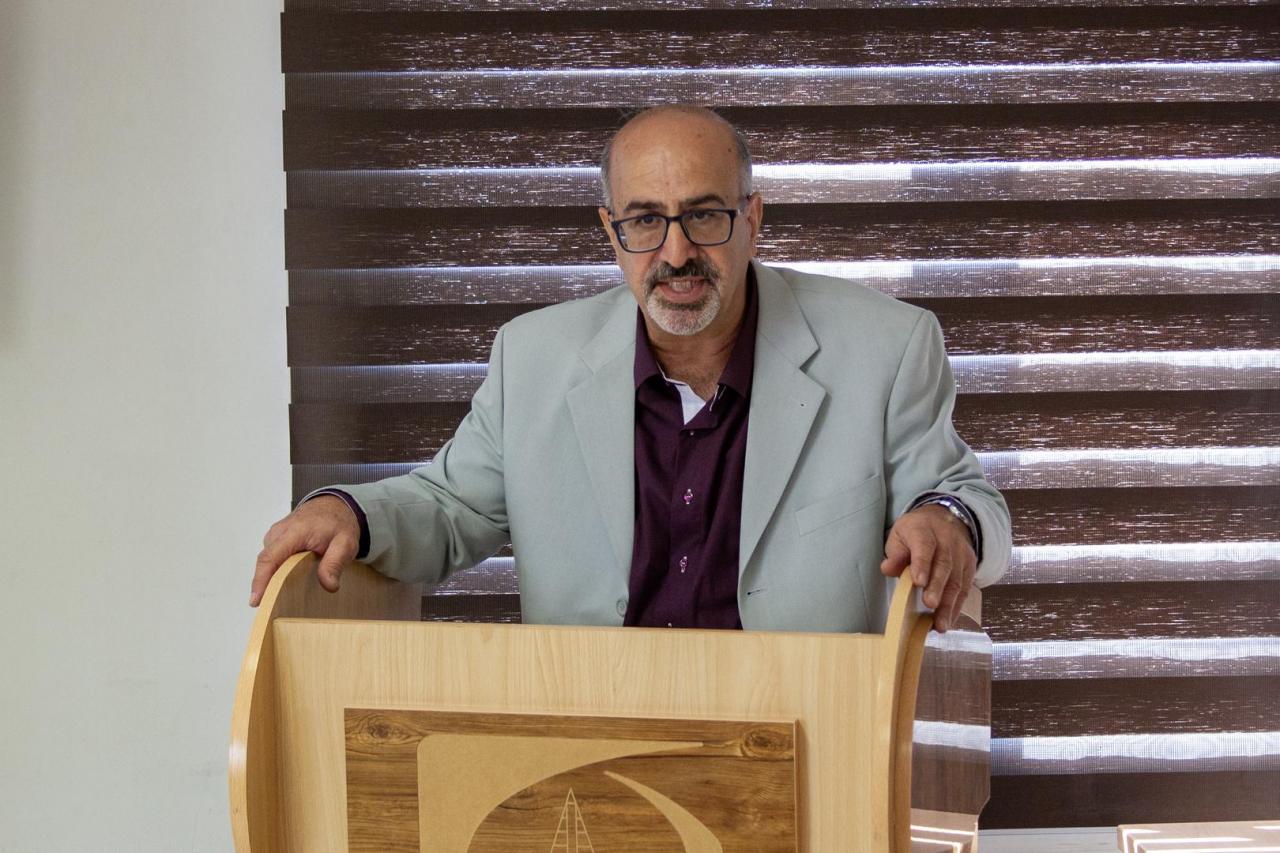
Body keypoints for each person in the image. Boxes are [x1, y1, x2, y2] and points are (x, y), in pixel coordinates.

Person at [252, 105, 1010, 633]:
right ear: (611, 231)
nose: (676, 253)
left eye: (704, 215)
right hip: (595, 742)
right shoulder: (533, 357)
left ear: (753, 220)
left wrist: (948, 521)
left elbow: (971, 501)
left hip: (808, 740)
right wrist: (348, 512)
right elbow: (447, 509)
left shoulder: (886, 346)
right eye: (646, 219)